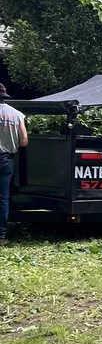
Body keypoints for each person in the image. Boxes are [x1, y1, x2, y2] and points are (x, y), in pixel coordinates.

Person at [0, 84, 28, 245]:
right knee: (3, 198)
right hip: (6, 160)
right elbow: (24, 141)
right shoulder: (17, 115)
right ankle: (1, 236)